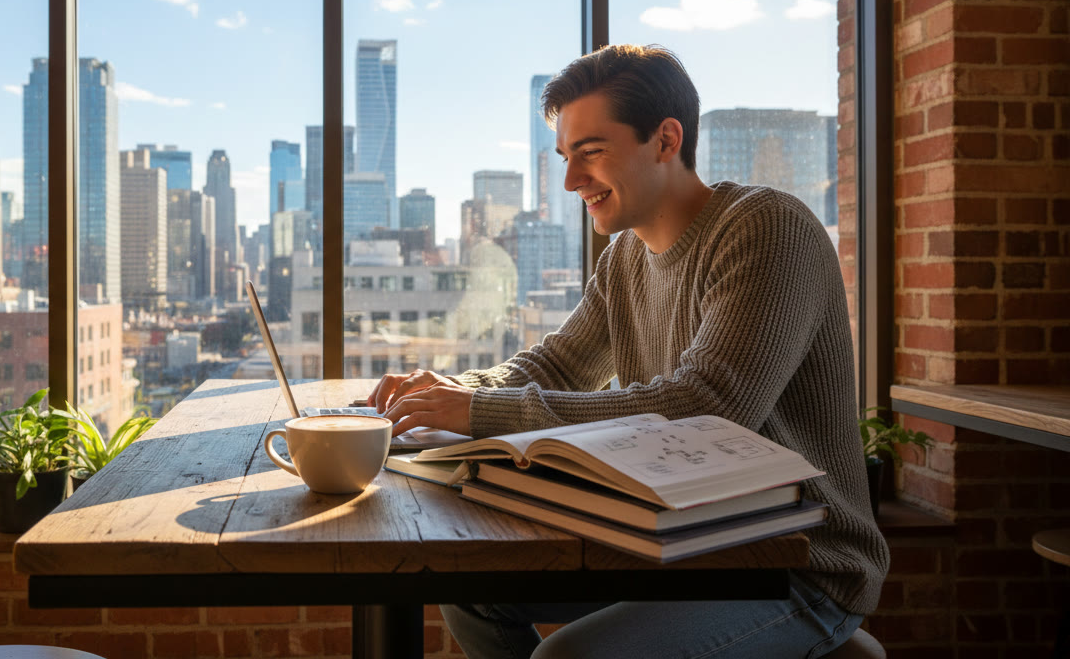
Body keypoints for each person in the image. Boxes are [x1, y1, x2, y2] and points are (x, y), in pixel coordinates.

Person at [367, 44, 886, 658]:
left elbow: (708, 406)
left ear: (666, 139)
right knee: (471, 590)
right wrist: (456, 392)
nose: (569, 180)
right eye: (564, 156)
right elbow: (558, 364)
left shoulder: (769, 227)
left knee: (567, 658)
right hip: (681, 537)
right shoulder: (626, 257)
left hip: (799, 561)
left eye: (590, 152)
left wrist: (477, 412)